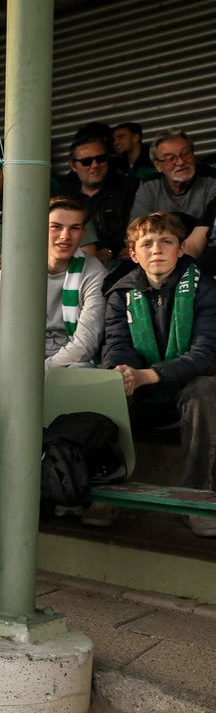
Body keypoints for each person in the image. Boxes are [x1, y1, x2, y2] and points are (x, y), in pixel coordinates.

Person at [0, 197, 108, 433]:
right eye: (56, 227)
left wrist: (38, 372)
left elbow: (86, 343)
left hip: (65, 361)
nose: (65, 236)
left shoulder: (93, 272)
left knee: (83, 375)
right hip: (14, 360)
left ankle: (52, 452)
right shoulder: (15, 267)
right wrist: (14, 368)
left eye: (74, 228)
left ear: (83, 233)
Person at [102, 211, 216, 537]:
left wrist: (148, 375)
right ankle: (108, 490)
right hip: (143, 388)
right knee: (106, 383)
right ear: (134, 254)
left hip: (186, 388)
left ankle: (196, 499)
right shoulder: (120, 294)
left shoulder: (205, 289)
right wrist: (123, 371)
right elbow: (117, 346)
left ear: (180, 249)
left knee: (205, 390)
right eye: (147, 243)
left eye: (166, 241)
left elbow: (206, 355)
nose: (157, 249)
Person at [129, 129, 216, 260]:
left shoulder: (211, 181)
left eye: (185, 153)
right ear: (158, 165)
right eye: (171, 158)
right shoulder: (149, 186)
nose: (180, 162)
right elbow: (137, 231)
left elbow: (209, 233)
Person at [58, 134, 136, 268]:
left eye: (101, 159)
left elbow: (136, 228)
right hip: (79, 266)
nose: (95, 165)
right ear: (73, 166)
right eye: (86, 161)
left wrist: (111, 251)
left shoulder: (129, 188)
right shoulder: (65, 197)